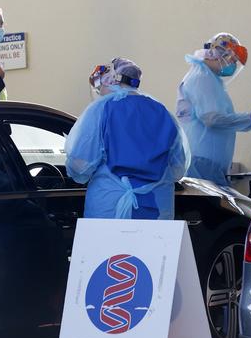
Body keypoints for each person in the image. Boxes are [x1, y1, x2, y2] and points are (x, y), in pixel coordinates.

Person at [65, 58, 189, 220]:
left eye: (99, 84)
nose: (99, 90)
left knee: (109, 246)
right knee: (151, 246)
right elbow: (177, 168)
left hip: (110, 206)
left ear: (110, 79)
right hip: (157, 206)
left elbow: (80, 166)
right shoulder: (161, 111)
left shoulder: (100, 110)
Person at [176, 33, 251, 186]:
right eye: (231, 59)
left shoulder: (208, 78)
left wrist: (250, 120)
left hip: (207, 163)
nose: (231, 64)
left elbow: (221, 120)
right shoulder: (201, 77)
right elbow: (212, 119)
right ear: (217, 53)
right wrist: (250, 118)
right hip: (201, 162)